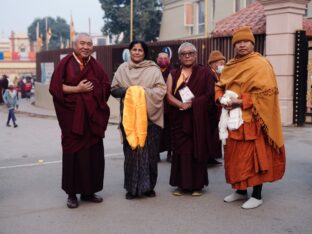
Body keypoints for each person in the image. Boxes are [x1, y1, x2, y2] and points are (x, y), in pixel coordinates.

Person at [215, 26, 286, 209]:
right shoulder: (230, 66)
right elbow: (219, 85)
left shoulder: (260, 64)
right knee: (235, 156)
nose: (242, 45)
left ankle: (257, 194)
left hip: (252, 118)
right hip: (233, 120)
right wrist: (220, 98)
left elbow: (267, 93)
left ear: (252, 44)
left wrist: (241, 102)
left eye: (246, 41)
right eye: (238, 42)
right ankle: (240, 191)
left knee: (253, 158)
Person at [49, 33, 111, 209]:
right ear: (74, 45)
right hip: (72, 119)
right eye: (82, 43)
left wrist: (94, 93)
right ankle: (71, 194)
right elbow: (55, 87)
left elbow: (105, 85)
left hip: (92, 119)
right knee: (73, 156)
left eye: (89, 44)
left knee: (93, 156)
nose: (86, 47)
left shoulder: (95, 65)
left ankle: (89, 191)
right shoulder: (66, 63)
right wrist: (78, 89)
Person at [111, 40, 167, 200]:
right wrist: (130, 91)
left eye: (140, 50)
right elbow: (114, 90)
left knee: (150, 154)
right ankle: (131, 188)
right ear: (130, 51)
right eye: (134, 49)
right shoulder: (123, 69)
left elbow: (161, 90)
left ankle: (149, 187)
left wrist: (141, 92)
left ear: (145, 53)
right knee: (131, 154)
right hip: (129, 119)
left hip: (150, 119)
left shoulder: (153, 69)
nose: (136, 52)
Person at [166, 42, 216, 196]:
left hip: (198, 119)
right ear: (179, 57)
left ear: (195, 55)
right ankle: (181, 185)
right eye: (183, 54)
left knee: (196, 149)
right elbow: (167, 95)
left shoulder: (205, 73)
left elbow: (209, 95)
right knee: (180, 151)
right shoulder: (173, 74)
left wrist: (193, 103)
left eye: (190, 53)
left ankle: (196, 185)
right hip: (179, 118)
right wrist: (181, 104)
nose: (187, 56)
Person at [206, 50, 226, 165]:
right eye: (220, 63)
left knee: (215, 133)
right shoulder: (209, 73)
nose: (222, 65)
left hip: (216, 108)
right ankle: (210, 157)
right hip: (210, 109)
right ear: (212, 63)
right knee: (211, 133)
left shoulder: (217, 74)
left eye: (223, 62)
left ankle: (213, 156)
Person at [156, 47, 174, 162]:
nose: (163, 60)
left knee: (169, 131)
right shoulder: (153, 71)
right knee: (156, 132)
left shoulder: (173, 72)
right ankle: (156, 154)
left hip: (169, 106)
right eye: (161, 58)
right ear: (157, 60)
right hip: (156, 106)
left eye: (165, 58)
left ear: (169, 60)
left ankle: (170, 153)